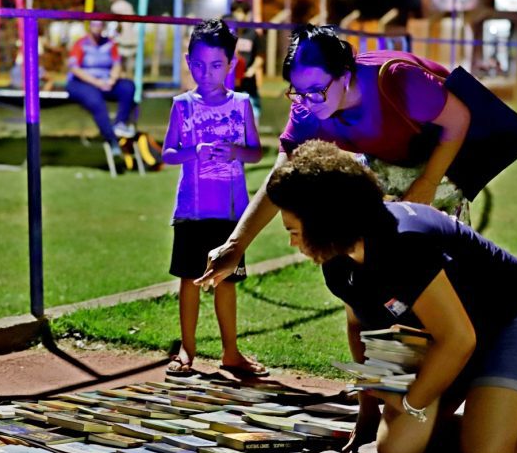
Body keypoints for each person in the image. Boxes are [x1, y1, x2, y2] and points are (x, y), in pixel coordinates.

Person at [260, 139, 517, 453]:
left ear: (326, 221)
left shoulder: (403, 244)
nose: (292, 244)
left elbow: (460, 339)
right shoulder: (337, 258)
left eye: (294, 231)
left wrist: (412, 402)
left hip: (510, 320)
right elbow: (362, 329)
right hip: (445, 333)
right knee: (397, 452)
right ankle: (505, 412)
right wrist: (367, 411)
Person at [201, 24, 472, 287]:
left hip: (437, 165)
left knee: (438, 266)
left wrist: (428, 182)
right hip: (384, 166)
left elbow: (459, 119)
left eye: (317, 91)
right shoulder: (306, 110)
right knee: (370, 262)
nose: (307, 102)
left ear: (344, 74)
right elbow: (283, 178)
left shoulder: (396, 79)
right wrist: (235, 245)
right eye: (298, 91)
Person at [161, 18, 266, 377]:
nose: (207, 73)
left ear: (231, 65)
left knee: (227, 281)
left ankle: (230, 352)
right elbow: (168, 153)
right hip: (192, 211)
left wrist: (236, 151)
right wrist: (195, 151)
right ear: (189, 62)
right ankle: (187, 350)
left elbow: (256, 152)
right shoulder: (182, 105)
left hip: (230, 213)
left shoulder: (241, 104)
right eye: (200, 65)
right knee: (190, 280)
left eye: (217, 65)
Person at [66, 20, 137, 152]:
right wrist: (96, 82)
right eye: (94, 24)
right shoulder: (80, 44)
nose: (97, 27)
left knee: (128, 87)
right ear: (89, 26)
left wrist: (112, 79)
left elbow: (117, 64)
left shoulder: (110, 44)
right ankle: (111, 139)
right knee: (96, 101)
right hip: (83, 83)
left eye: (100, 24)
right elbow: (74, 69)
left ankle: (119, 124)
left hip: (106, 82)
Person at [229, 0, 264, 122]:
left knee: (252, 113)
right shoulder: (228, 33)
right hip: (230, 82)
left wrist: (251, 70)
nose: (238, 15)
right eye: (235, 12)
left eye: (240, 12)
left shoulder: (252, 34)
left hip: (248, 82)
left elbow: (260, 57)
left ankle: (252, 139)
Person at [106, 0, 138, 75]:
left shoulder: (116, 6)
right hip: (130, 35)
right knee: (128, 63)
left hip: (121, 36)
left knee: (119, 62)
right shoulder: (128, 5)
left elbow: (115, 24)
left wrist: (112, 35)